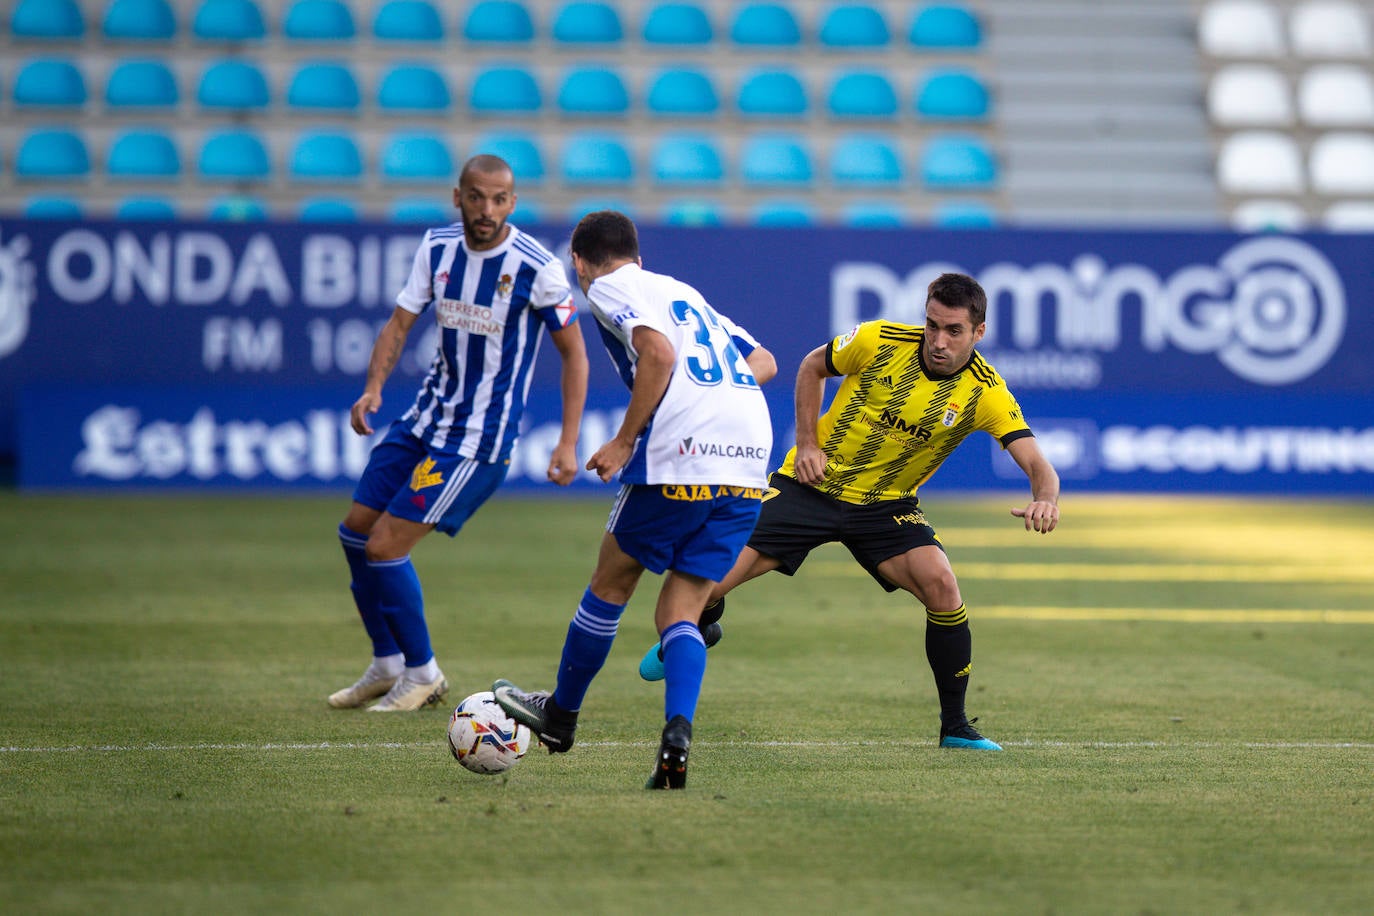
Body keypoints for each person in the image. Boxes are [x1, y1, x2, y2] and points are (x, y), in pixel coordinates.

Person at [637, 272, 1060, 751]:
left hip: (886, 507)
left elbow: (1037, 463)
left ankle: (955, 726)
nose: (938, 341)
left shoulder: (986, 392)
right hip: (808, 487)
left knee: (942, 585)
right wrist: (807, 442)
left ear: (978, 333)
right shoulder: (878, 339)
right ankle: (706, 622)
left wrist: (1045, 497)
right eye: (932, 325)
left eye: (954, 331)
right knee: (706, 581)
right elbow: (811, 366)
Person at [491, 210, 777, 789]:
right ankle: (676, 734)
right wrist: (716, 398)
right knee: (680, 610)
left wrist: (625, 441)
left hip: (684, 453)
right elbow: (764, 362)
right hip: (749, 458)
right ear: (639, 254)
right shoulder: (681, 292)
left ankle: (561, 715)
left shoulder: (610, 286)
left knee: (612, 582)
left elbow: (660, 356)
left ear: (579, 262)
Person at [328, 155, 589, 712]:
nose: (486, 210)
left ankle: (423, 675)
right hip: (424, 419)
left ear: (512, 204)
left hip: (477, 441)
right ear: (458, 197)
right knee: (355, 534)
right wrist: (373, 387)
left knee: (385, 546)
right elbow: (400, 323)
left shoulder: (536, 266)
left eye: (499, 199)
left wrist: (568, 441)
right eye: (476, 197)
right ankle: (387, 663)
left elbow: (575, 354)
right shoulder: (437, 247)